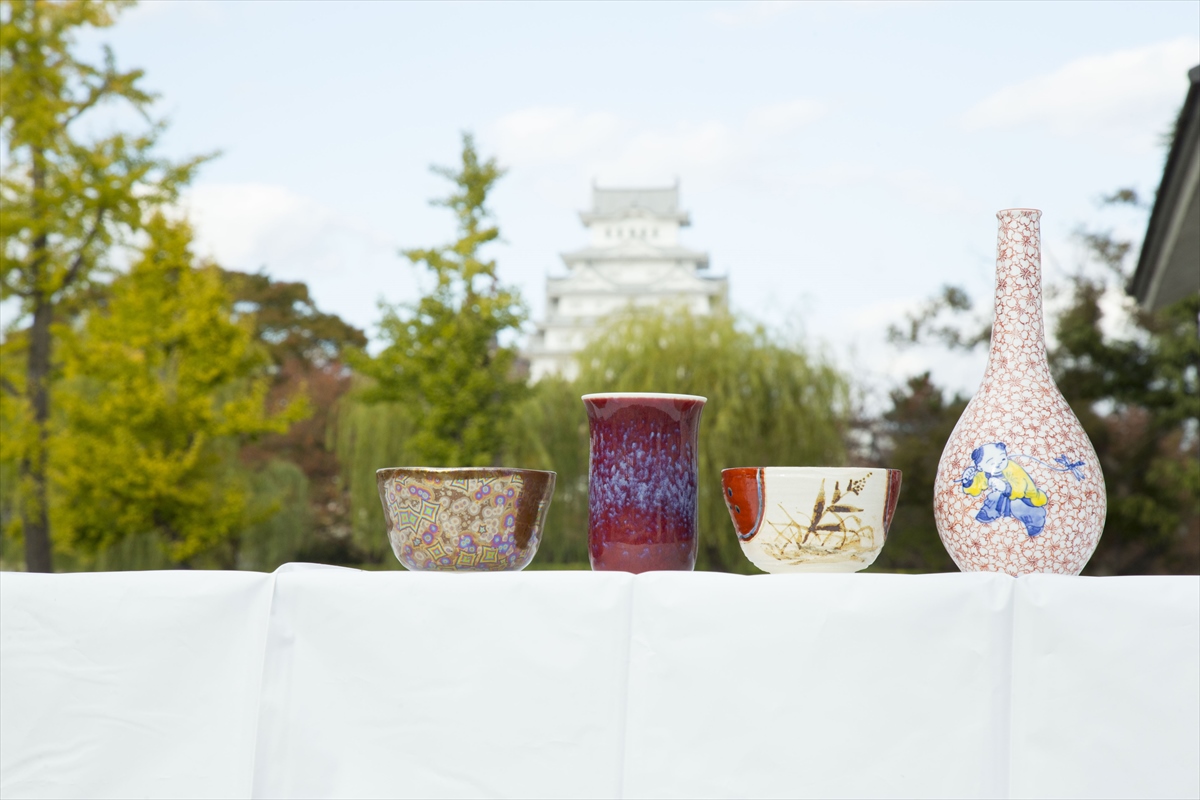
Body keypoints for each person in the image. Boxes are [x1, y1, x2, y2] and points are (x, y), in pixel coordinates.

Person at [961, 442, 1048, 537]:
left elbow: (1021, 485)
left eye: (1002, 458)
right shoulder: (985, 473)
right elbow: (976, 487)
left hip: (1025, 497)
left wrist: (1005, 487)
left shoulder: (1012, 468)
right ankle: (989, 512)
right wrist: (967, 481)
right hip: (1004, 497)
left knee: (1017, 505)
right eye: (992, 462)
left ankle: (1035, 522)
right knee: (994, 496)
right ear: (980, 467)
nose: (999, 463)